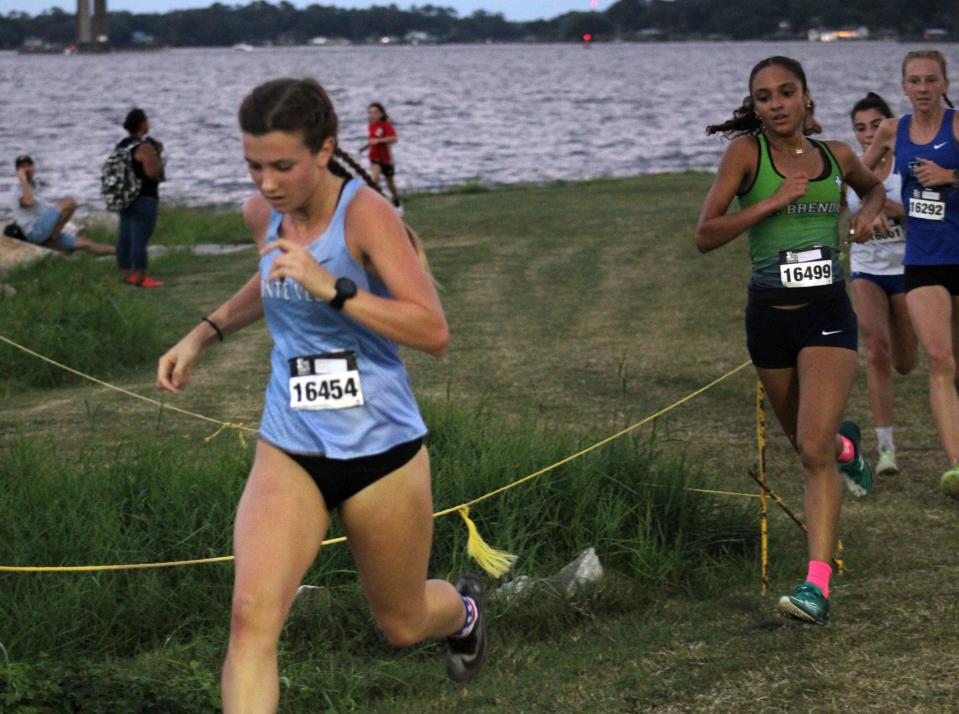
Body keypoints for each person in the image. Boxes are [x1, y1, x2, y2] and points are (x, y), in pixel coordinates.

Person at [156, 78, 486, 712]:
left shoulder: (365, 214)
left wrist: (332, 286)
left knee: (403, 622)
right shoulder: (263, 215)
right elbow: (272, 280)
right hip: (292, 441)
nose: (266, 184)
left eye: (282, 166)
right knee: (252, 615)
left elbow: (432, 330)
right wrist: (204, 333)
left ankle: (464, 610)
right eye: (253, 165)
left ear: (324, 149)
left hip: (380, 450)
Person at [696, 56, 886, 625]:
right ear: (754, 106)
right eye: (764, 96)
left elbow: (875, 193)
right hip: (768, 319)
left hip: (828, 314)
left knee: (809, 450)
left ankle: (816, 587)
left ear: (806, 98)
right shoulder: (745, 156)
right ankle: (847, 448)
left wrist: (866, 216)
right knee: (814, 444)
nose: (776, 104)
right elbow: (705, 235)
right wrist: (770, 204)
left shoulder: (838, 157)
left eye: (786, 92)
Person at [862, 50, 959, 494]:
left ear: (944, 83)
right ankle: (958, 467)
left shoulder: (956, 125)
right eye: (914, 81)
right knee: (939, 360)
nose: (922, 88)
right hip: (922, 260)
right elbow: (856, 176)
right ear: (903, 86)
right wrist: (874, 203)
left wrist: (951, 176)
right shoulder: (892, 129)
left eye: (930, 80)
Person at [846, 92, 918, 476]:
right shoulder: (853, 172)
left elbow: (929, 213)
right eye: (860, 128)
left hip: (908, 270)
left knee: (905, 362)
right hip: (867, 269)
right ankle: (885, 450)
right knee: (875, 350)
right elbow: (838, 215)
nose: (869, 134)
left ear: (889, 127)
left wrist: (892, 209)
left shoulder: (907, 166)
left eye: (875, 125)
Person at [10, 155, 114, 255]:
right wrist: (23, 181)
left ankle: (120, 251)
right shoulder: (17, 189)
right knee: (69, 202)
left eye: (29, 165)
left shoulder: (35, 185)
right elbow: (28, 202)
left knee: (86, 243)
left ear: (34, 167)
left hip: (44, 231)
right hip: (34, 232)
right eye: (23, 167)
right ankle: (54, 235)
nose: (27, 169)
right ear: (18, 172)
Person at [116, 108, 165, 288]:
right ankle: (141, 276)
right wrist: (156, 154)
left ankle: (125, 272)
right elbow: (153, 173)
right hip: (144, 198)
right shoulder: (144, 147)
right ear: (142, 123)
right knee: (140, 238)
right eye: (147, 119)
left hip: (124, 197)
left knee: (125, 237)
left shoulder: (122, 146)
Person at [359, 102, 402, 212]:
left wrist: (379, 141)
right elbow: (372, 141)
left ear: (381, 114)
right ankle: (378, 203)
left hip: (386, 158)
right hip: (374, 156)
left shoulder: (386, 126)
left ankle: (397, 202)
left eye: (375, 112)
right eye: (370, 112)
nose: (372, 115)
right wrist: (364, 148)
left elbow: (394, 138)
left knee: (390, 183)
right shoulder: (371, 126)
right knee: (375, 178)